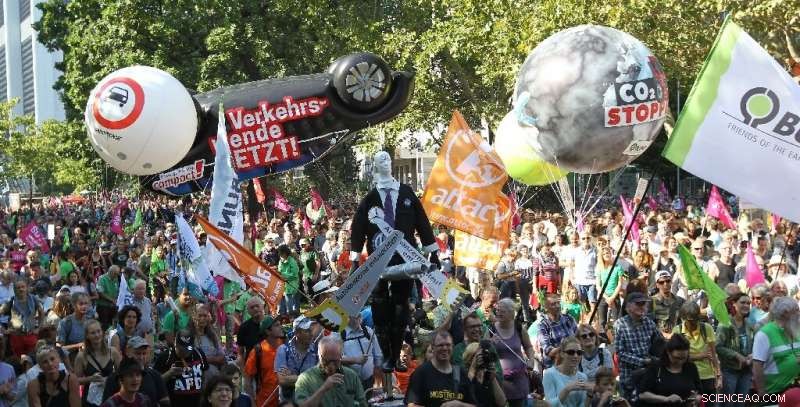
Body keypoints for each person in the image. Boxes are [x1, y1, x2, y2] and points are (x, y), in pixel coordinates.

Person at [349, 151, 440, 372]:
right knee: (380, 308)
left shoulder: (407, 193)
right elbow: (358, 228)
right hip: (377, 261)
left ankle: (396, 354)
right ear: (375, 166)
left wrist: (433, 250)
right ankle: (386, 354)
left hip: (404, 258)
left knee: (401, 306)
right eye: (380, 160)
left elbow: (422, 222)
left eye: (388, 159)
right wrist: (355, 259)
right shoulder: (370, 199)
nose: (385, 163)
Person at [405, 330, 477, 407]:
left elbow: (474, 405)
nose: (445, 348)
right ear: (433, 348)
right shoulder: (421, 373)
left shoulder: (461, 373)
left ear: (452, 347)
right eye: (440, 345)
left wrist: (460, 405)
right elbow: (411, 405)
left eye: (448, 345)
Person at [293, 335, 366, 407]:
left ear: (341, 356)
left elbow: (362, 402)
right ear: (319, 356)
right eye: (326, 361)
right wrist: (323, 388)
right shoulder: (305, 379)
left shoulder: (351, 376)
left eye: (335, 361)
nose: (331, 365)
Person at [613, 291, 660, 401]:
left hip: (649, 374)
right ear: (628, 307)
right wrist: (642, 361)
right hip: (629, 376)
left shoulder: (649, 322)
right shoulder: (620, 325)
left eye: (644, 303)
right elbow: (620, 353)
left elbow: (660, 342)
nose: (642, 306)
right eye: (638, 304)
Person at [672, 301, 722, 398]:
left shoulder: (706, 328)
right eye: (689, 320)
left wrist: (719, 375)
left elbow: (713, 354)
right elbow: (676, 357)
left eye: (695, 319)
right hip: (686, 376)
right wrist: (701, 355)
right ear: (683, 318)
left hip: (707, 376)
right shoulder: (677, 331)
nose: (692, 323)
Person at [102, 336, 170, 406]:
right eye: (138, 353)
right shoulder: (114, 378)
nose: (141, 357)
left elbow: (165, 401)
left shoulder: (155, 375)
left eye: (144, 353)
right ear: (127, 352)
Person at [753, 296, 800, 398]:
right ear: (786, 313)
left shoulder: (797, 329)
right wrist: (762, 392)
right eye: (796, 310)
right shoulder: (765, 333)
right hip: (774, 392)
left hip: (796, 390)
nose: (799, 313)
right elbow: (757, 365)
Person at [637, 333, 702, 407]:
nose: (680, 362)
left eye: (684, 358)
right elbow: (642, 395)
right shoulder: (656, 367)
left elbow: (699, 391)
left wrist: (696, 398)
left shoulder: (691, 367)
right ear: (668, 352)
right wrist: (666, 399)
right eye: (676, 358)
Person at [491, 298, 533, 407]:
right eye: (497, 310)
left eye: (502, 311)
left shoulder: (519, 328)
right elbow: (484, 350)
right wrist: (491, 343)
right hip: (500, 382)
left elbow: (528, 347)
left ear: (511, 313)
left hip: (519, 382)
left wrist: (531, 361)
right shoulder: (491, 330)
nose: (498, 313)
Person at [715, 293, 754, 407]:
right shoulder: (725, 324)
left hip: (746, 371)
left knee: (740, 404)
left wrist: (752, 355)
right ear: (734, 304)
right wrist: (735, 355)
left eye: (748, 303)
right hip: (729, 371)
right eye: (743, 302)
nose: (746, 305)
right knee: (727, 404)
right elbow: (718, 346)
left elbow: (754, 344)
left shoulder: (749, 324)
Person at [75, 319, 122, 407]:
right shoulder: (81, 356)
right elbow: (75, 380)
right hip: (90, 401)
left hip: (110, 398)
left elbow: (123, 374)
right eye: (93, 333)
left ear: (102, 332)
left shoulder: (113, 352)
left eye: (98, 331)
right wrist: (90, 379)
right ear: (87, 336)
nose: (97, 335)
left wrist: (108, 380)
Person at [154, 331, 209, 405]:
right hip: (174, 402)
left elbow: (204, 376)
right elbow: (155, 383)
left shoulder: (199, 354)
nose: (185, 352)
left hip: (196, 402)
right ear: (175, 344)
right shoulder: (165, 357)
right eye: (181, 349)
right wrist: (170, 373)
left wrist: (203, 395)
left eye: (188, 349)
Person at [333, 312, 382, 391]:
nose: (357, 317)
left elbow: (378, 354)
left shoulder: (368, 331)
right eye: (354, 315)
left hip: (369, 380)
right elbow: (335, 357)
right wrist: (356, 360)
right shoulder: (338, 334)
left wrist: (377, 373)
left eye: (358, 315)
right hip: (349, 381)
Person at [274, 316, 318, 402]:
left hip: (309, 402)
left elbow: (318, 380)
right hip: (289, 403)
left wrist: (292, 376)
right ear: (297, 333)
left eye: (311, 330)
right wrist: (309, 378)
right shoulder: (283, 350)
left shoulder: (317, 351)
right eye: (307, 331)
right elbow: (282, 380)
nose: (311, 334)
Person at [1, 278, 45, 358]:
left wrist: (39, 328)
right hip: (16, 337)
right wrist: (3, 329)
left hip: (30, 334)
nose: (21, 289)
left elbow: (42, 313)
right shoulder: (11, 301)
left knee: (33, 358)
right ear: (14, 290)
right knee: (19, 360)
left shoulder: (33, 299)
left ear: (26, 288)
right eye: (18, 288)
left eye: (23, 287)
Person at [245, 316, 283, 407]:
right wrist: (253, 403)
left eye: (280, 324)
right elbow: (247, 380)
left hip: (285, 400)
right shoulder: (258, 351)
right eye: (277, 325)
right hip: (265, 401)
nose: (281, 327)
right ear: (268, 331)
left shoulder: (286, 345)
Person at [542, 336, 590, 407]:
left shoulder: (583, 377)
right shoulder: (549, 374)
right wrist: (567, 389)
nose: (576, 356)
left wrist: (590, 394)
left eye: (579, 352)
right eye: (571, 352)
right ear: (562, 354)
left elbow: (583, 404)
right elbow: (549, 405)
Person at [538, 293, 578, 369]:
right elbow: (549, 352)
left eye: (558, 303)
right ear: (546, 308)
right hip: (555, 365)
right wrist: (566, 346)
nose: (557, 306)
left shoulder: (568, 318)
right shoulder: (543, 325)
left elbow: (578, 336)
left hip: (572, 361)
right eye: (553, 304)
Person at [462, 342, 506, 407]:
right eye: (479, 356)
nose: (483, 358)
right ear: (469, 360)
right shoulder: (463, 376)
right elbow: (466, 398)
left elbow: (502, 403)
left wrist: (493, 379)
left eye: (485, 355)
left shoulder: (489, 375)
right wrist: (473, 368)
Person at [189, 304, 225, 379]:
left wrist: (206, 359)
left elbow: (222, 357)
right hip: (197, 376)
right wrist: (212, 359)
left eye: (205, 316)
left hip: (215, 375)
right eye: (199, 316)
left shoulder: (212, 336)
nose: (202, 318)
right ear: (194, 317)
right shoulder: (189, 336)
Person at [595, 245, 625, 331]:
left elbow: (620, 284)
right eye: (604, 254)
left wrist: (612, 297)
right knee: (602, 321)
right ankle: (603, 337)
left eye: (608, 253)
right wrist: (606, 297)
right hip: (603, 297)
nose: (606, 255)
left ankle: (617, 337)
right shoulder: (599, 268)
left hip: (614, 296)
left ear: (611, 254)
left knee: (617, 321)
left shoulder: (618, 268)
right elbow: (598, 285)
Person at [57, 292, 92, 362]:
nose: (84, 306)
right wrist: (78, 346)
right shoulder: (65, 323)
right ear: (73, 305)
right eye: (81, 304)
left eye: (86, 303)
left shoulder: (90, 321)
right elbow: (59, 348)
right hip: (71, 361)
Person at [650, 270, 685, 337]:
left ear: (671, 282)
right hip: (659, 338)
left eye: (668, 281)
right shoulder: (651, 301)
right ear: (657, 285)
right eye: (661, 282)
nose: (665, 284)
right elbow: (649, 324)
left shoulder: (680, 301)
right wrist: (664, 335)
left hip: (677, 337)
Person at [237, 297, 266, 362]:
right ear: (248, 311)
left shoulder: (272, 323)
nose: (255, 309)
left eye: (257, 306)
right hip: (251, 364)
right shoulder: (243, 328)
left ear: (262, 306)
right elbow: (240, 352)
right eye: (252, 307)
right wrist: (242, 366)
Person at [277, 244, 300, 316]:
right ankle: (283, 314)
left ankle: (292, 315)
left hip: (292, 284)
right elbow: (279, 271)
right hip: (283, 284)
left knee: (290, 301)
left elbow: (295, 274)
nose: (280, 255)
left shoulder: (292, 261)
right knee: (282, 300)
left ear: (285, 253)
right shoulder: (280, 261)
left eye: (281, 253)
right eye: (279, 253)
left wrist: (283, 275)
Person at [96, 265, 122, 330]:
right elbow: (100, 292)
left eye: (117, 274)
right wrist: (112, 300)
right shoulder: (102, 279)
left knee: (112, 324)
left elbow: (117, 290)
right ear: (111, 272)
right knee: (104, 325)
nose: (117, 275)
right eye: (116, 274)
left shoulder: (116, 279)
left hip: (113, 306)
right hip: (103, 306)